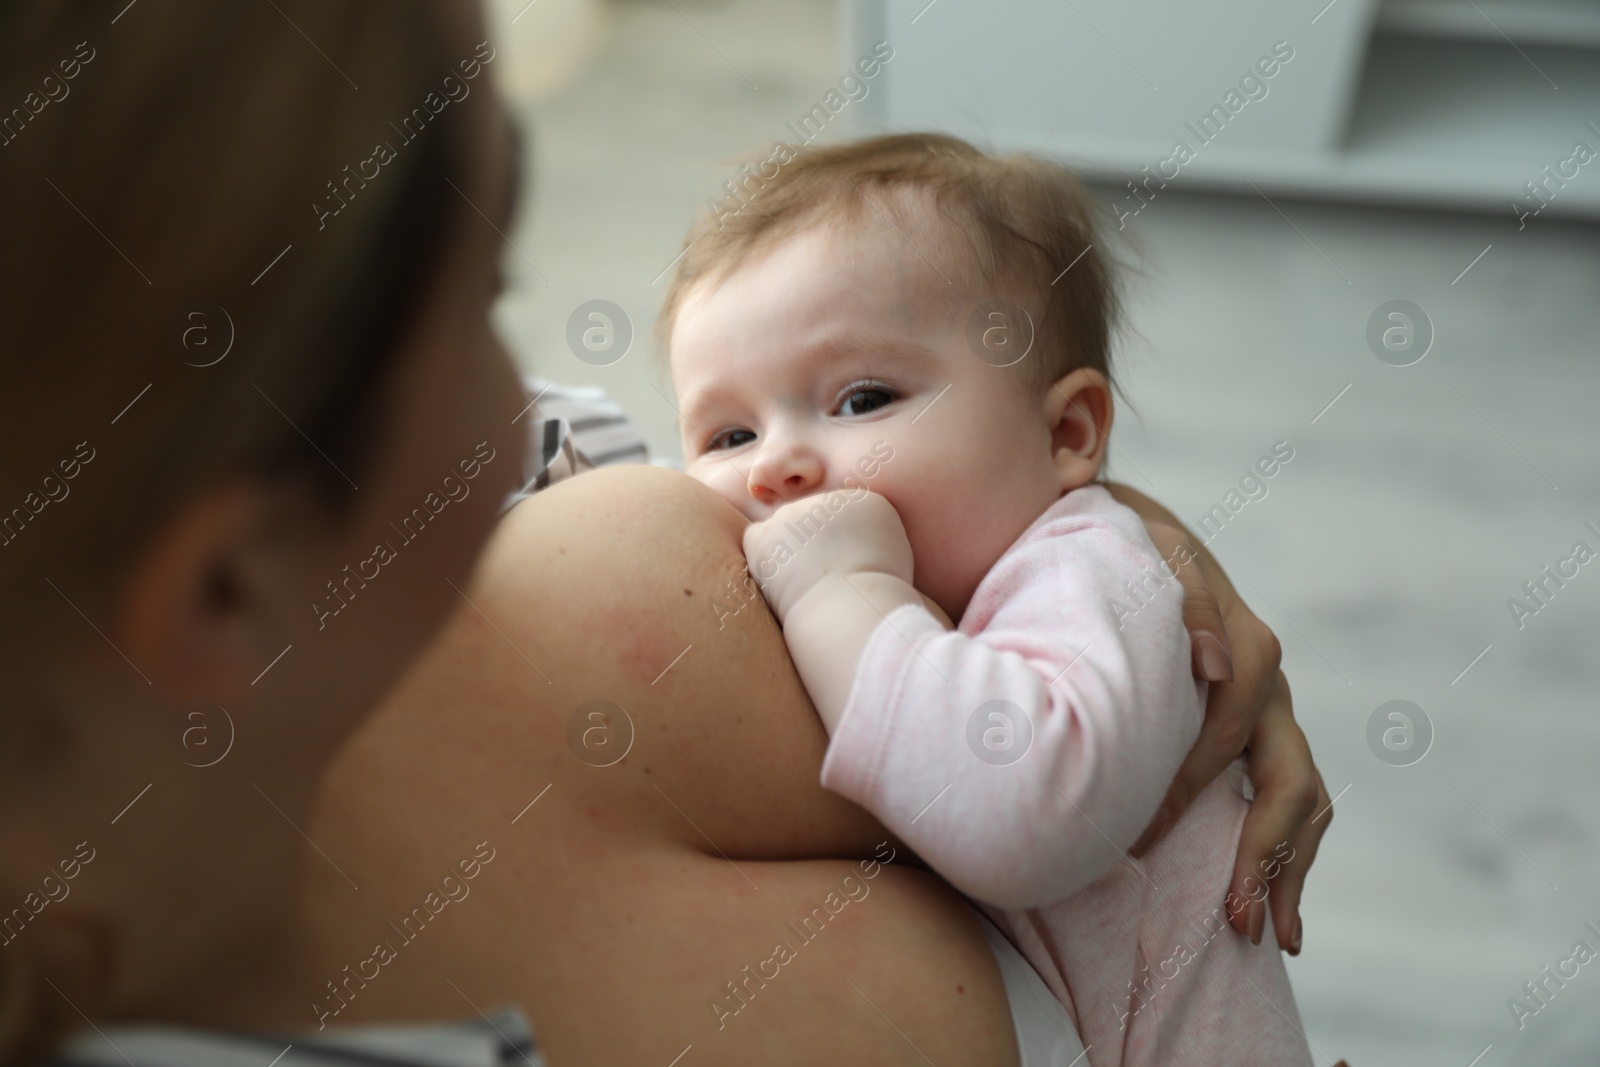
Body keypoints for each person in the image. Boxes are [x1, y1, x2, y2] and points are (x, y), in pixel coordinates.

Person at [0, 3, 1335, 1065]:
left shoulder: (509, 479)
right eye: (482, 305)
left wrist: (1113, 552)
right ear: (228, 580)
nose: (542, 403)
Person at [666, 132, 1311, 1064]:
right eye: (728, 433)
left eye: (861, 399)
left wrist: (840, 593)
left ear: (1067, 433)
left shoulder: (1093, 575)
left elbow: (1025, 812)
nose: (775, 466)